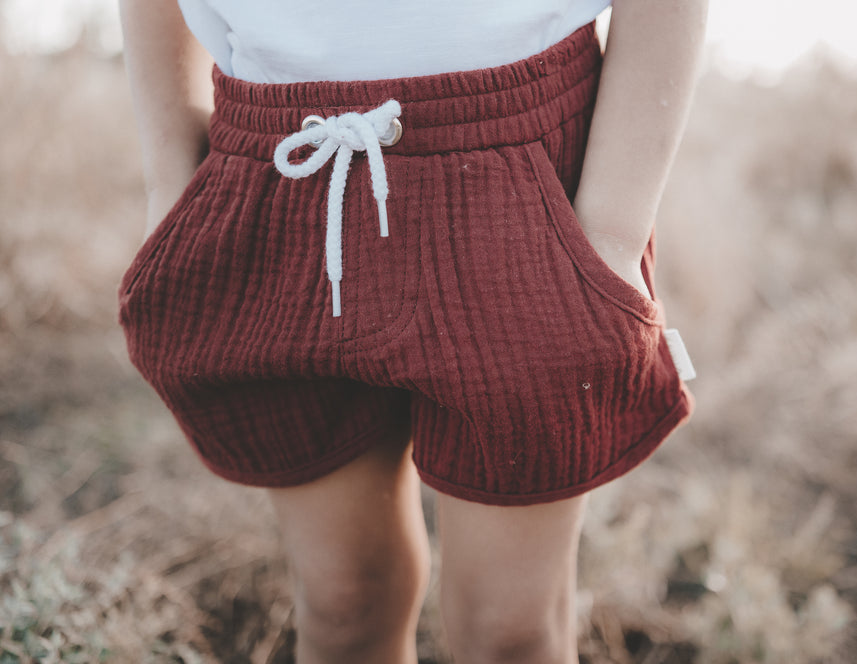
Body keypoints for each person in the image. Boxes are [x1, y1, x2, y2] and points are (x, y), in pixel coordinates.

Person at [117, 0, 706, 661]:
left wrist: (612, 236)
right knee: (345, 605)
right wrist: (170, 186)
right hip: (279, 171)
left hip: (516, 171)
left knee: (510, 632)